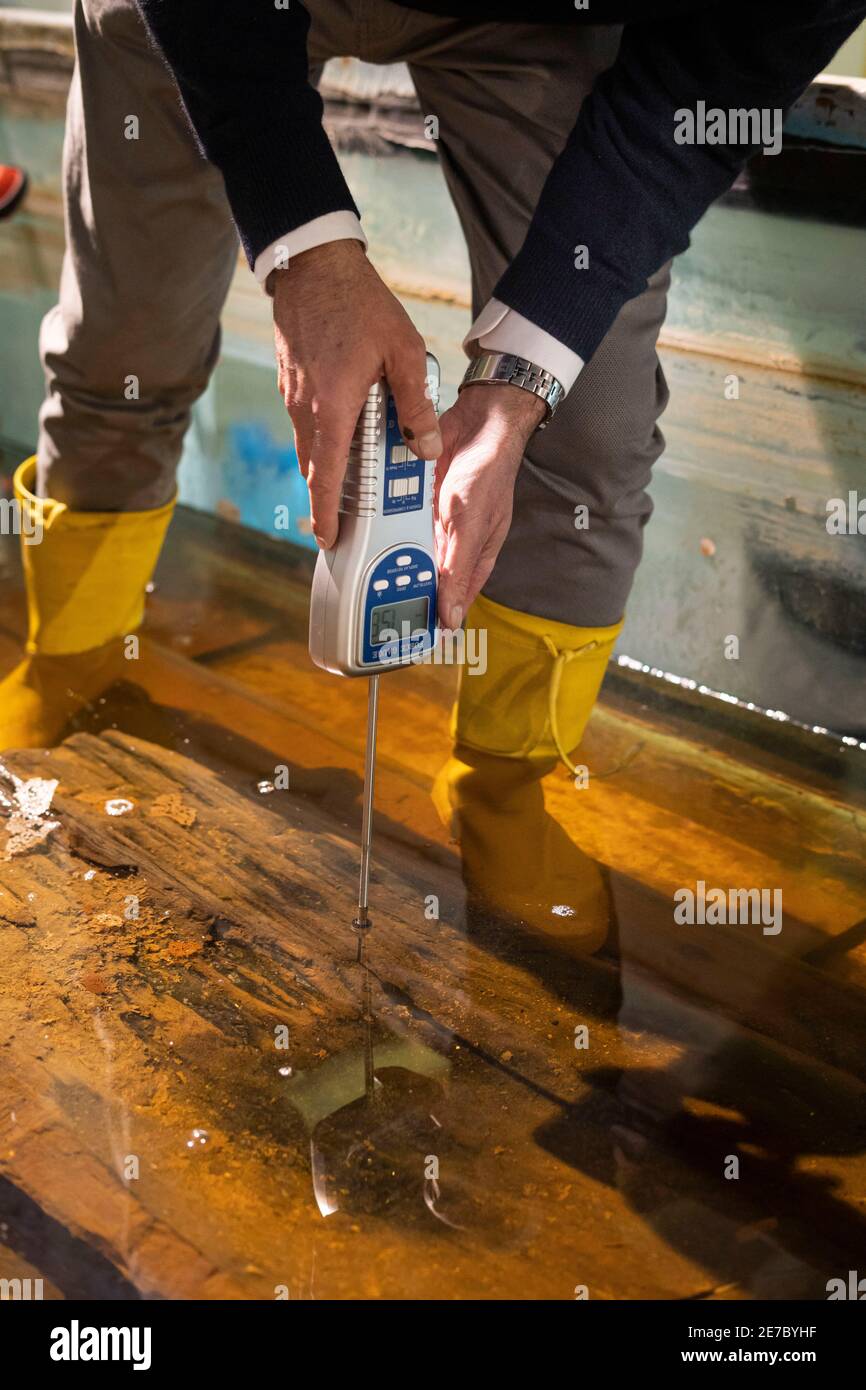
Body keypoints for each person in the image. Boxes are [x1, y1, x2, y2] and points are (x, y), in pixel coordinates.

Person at [3, 0, 863, 941]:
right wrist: (303, 247)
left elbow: (702, 93)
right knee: (127, 350)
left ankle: (501, 783)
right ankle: (72, 654)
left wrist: (518, 386)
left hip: (530, 21)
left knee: (593, 424)